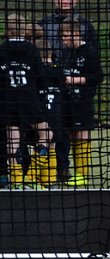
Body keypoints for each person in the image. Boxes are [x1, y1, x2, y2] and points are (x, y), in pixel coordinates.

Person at [40, 0, 100, 189]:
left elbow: (96, 72)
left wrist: (77, 81)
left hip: (80, 97)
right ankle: (60, 169)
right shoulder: (44, 24)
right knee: (58, 131)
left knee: (80, 132)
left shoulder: (86, 27)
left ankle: (79, 173)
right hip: (54, 92)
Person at [0, 13, 51, 190]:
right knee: (46, 133)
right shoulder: (31, 50)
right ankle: (31, 174)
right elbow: (40, 76)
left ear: (7, 30)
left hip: (8, 101)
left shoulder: (2, 50)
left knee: (12, 141)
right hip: (29, 101)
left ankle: (17, 179)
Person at [58, 17, 102, 186]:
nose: (64, 40)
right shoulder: (65, 52)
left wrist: (73, 80)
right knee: (67, 134)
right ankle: (66, 170)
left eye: (67, 36)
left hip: (82, 101)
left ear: (76, 33)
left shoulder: (88, 51)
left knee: (81, 133)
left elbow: (98, 77)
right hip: (66, 101)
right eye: (62, 36)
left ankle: (82, 173)